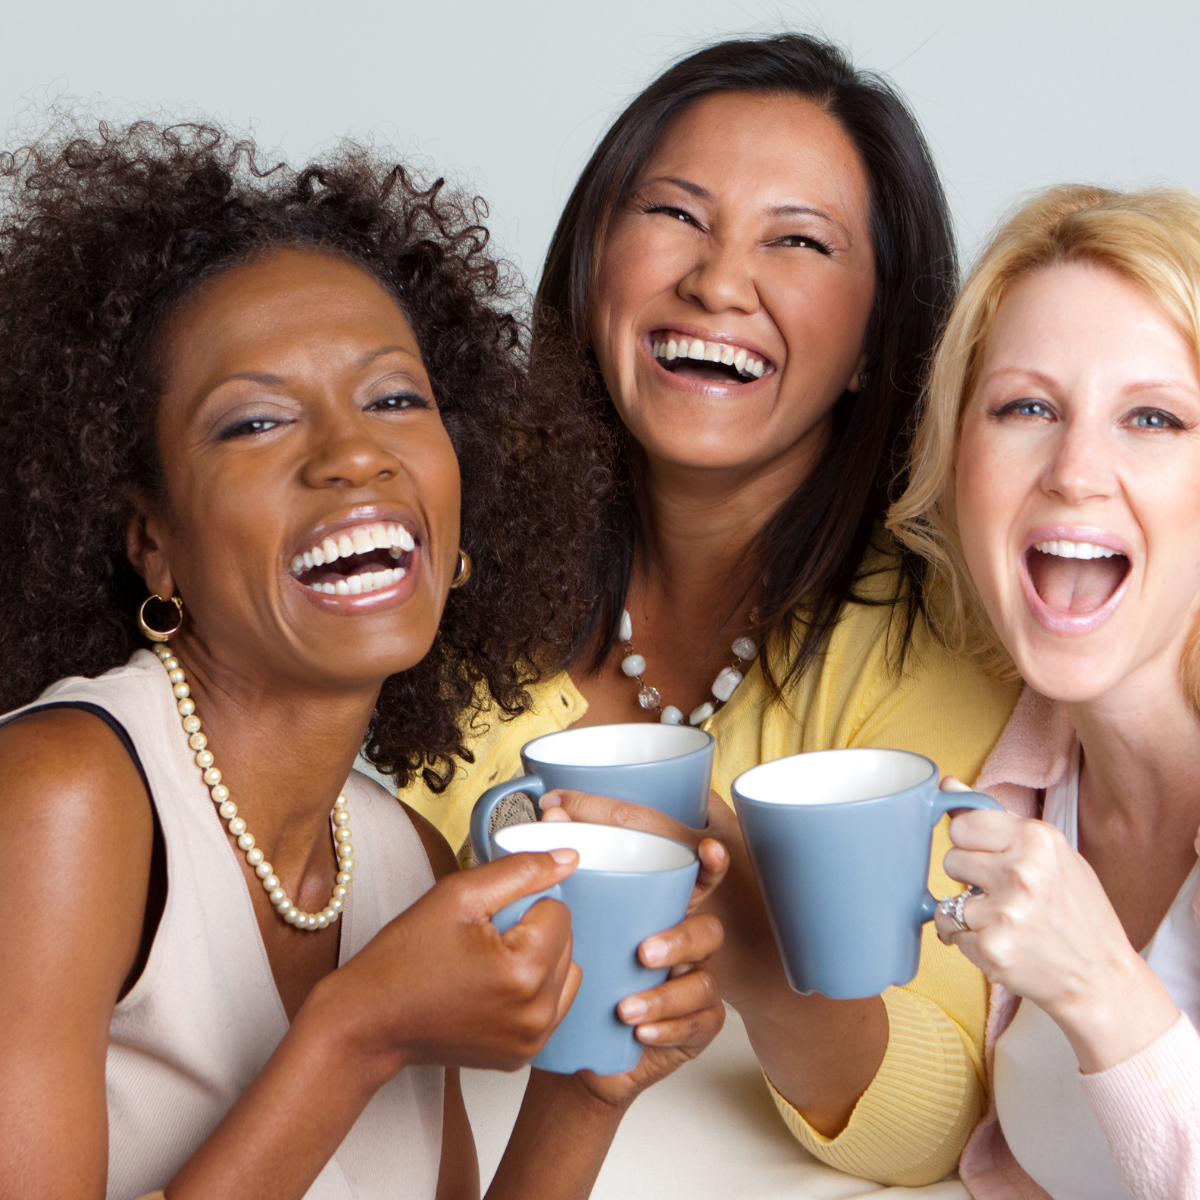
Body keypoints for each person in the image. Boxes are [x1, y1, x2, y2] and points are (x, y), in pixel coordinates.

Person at [0, 120, 727, 1200]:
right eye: (253, 422)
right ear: (149, 537)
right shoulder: (63, 802)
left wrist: (590, 1085)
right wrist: (357, 1032)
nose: (354, 453)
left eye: (395, 399)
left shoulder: (402, 860)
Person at [404, 34, 1020, 1186]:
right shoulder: (445, 556)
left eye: (799, 240)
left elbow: (934, 1123)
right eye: (678, 216)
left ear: (874, 342)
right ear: (594, 263)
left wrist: (743, 933)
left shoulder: (940, 636)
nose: (719, 281)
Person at [888, 184, 1200, 1199]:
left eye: (1153, 418)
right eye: (1027, 407)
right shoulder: (1009, 774)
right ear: (956, 462)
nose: (1075, 471)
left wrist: (1102, 987)